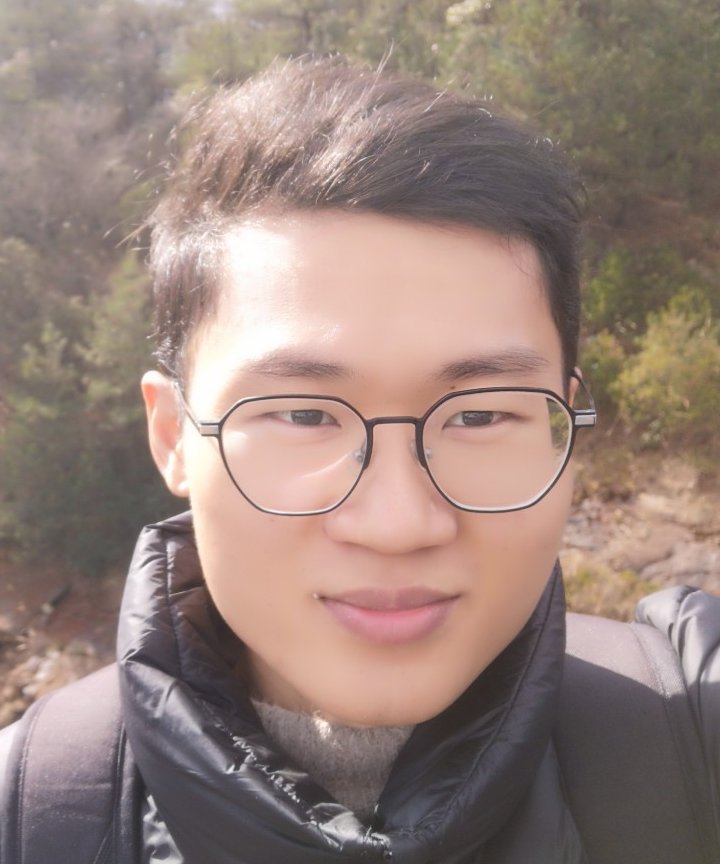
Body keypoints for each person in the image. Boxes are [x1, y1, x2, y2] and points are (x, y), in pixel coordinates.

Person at [1, 55, 719, 864]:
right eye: (304, 414)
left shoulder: (689, 735)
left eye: (480, 414)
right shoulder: (34, 817)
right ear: (172, 436)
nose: (398, 524)